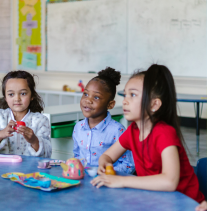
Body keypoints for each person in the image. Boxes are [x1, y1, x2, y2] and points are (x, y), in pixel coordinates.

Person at [91, 64, 205, 203]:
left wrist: (122, 180)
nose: (125, 101)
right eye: (125, 94)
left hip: (186, 204)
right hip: (157, 200)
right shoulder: (133, 131)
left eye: (133, 95)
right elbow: (107, 155)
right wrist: (105, 164)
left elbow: (170, 182)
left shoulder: (164, 133)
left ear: (154, 105)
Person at [73, 67, 135, 174]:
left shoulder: (117, 130)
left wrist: (105, 172)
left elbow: (129, 165)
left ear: (110, 104)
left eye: (96, 97)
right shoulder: (78, 127)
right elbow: (77, 156)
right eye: (86, 94)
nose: (88, 100)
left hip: (108, 184)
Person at [0, 70, 52, 157]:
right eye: (11, 94)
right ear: (5, 97)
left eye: (23, 93)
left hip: (29, 170)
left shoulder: (41, 120)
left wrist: (34, 141)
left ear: (32, 95)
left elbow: (47, 153)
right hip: (1, 169)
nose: (17, 98)